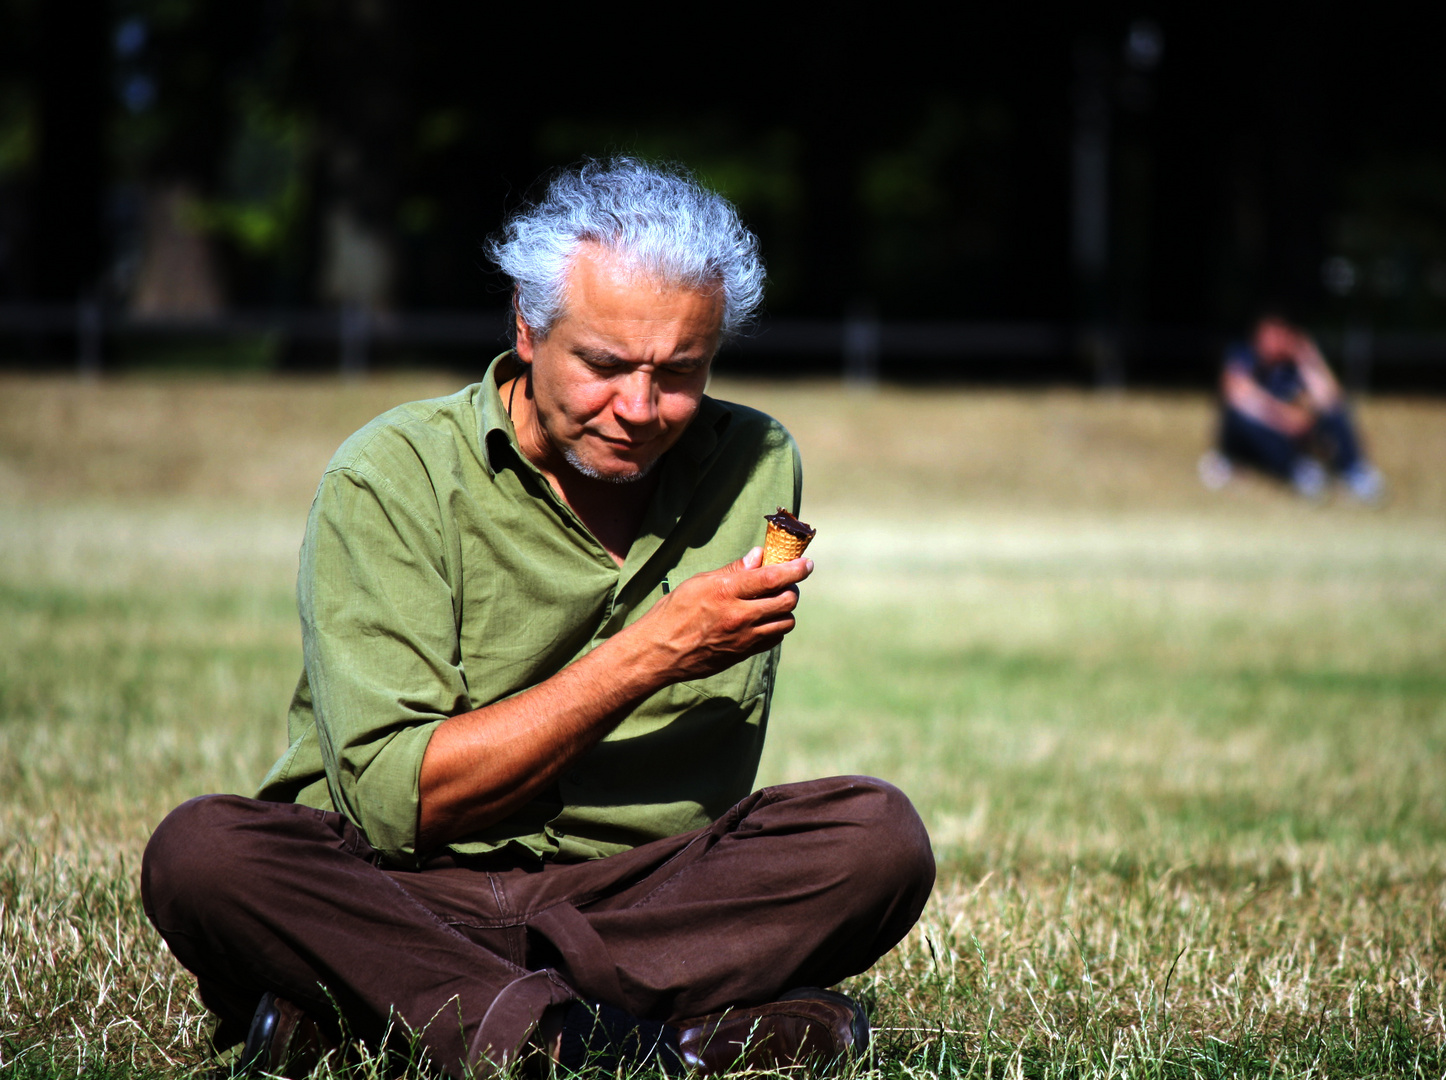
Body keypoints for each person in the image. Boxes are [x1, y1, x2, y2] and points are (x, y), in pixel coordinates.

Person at [140, 159, 935, 1078]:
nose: (638, 410)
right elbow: (402, 802)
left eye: (679, 373)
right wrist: (650, 654)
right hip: (399, 883)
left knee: (874, 839)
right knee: (204, 855)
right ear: (525, 326)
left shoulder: (754, 463)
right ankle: (623, 1044)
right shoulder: (390, 475)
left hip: (640, 896)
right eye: (602, 365)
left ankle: (381, 1011)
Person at [1198, 314, 1385, 501]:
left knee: (1334, 413)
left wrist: (1309, 358)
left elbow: (1331, 398)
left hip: (1293, 432)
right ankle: (1296, 470)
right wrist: (1284, 417)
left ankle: (1353, 471)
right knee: (1240, 418)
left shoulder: (1293, 364)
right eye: (1271, 333)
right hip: (1256, 436)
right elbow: (1238, 395)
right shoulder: (1242, 354)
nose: (1276, 341)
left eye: (1282, 334)